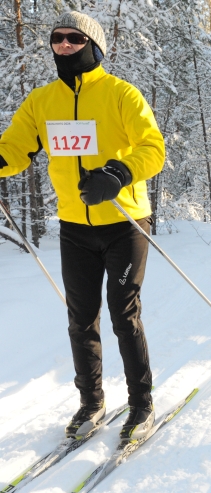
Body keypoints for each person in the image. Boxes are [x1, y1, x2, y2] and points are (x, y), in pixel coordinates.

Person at [0, 11, 165, 441]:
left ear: (95, 46)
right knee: (80, 319)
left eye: (74, 38)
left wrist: (118, 174)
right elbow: (16, 148)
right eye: (57, 39)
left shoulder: (120, 95)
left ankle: (142, 406)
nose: (64, 45)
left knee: (122, 316)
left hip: (124, 223)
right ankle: (91, 403)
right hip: (74, 226)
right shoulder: (41, 101)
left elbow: (153, 148)